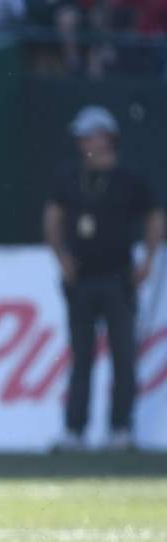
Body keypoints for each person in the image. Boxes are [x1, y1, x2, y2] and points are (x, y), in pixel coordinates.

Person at [44, 105, 164, 452]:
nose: (84, 143)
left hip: (118, 277)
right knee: (81, 358)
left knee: (123, 357)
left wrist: (149, 260)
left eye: (90, 135)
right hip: (81, 279)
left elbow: (154, 217)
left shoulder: (130, 179)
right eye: (81, 137)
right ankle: (74, 430)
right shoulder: (69, 177)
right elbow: (52, 216)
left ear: (108, 136)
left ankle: (120, 429)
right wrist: (61, 257)